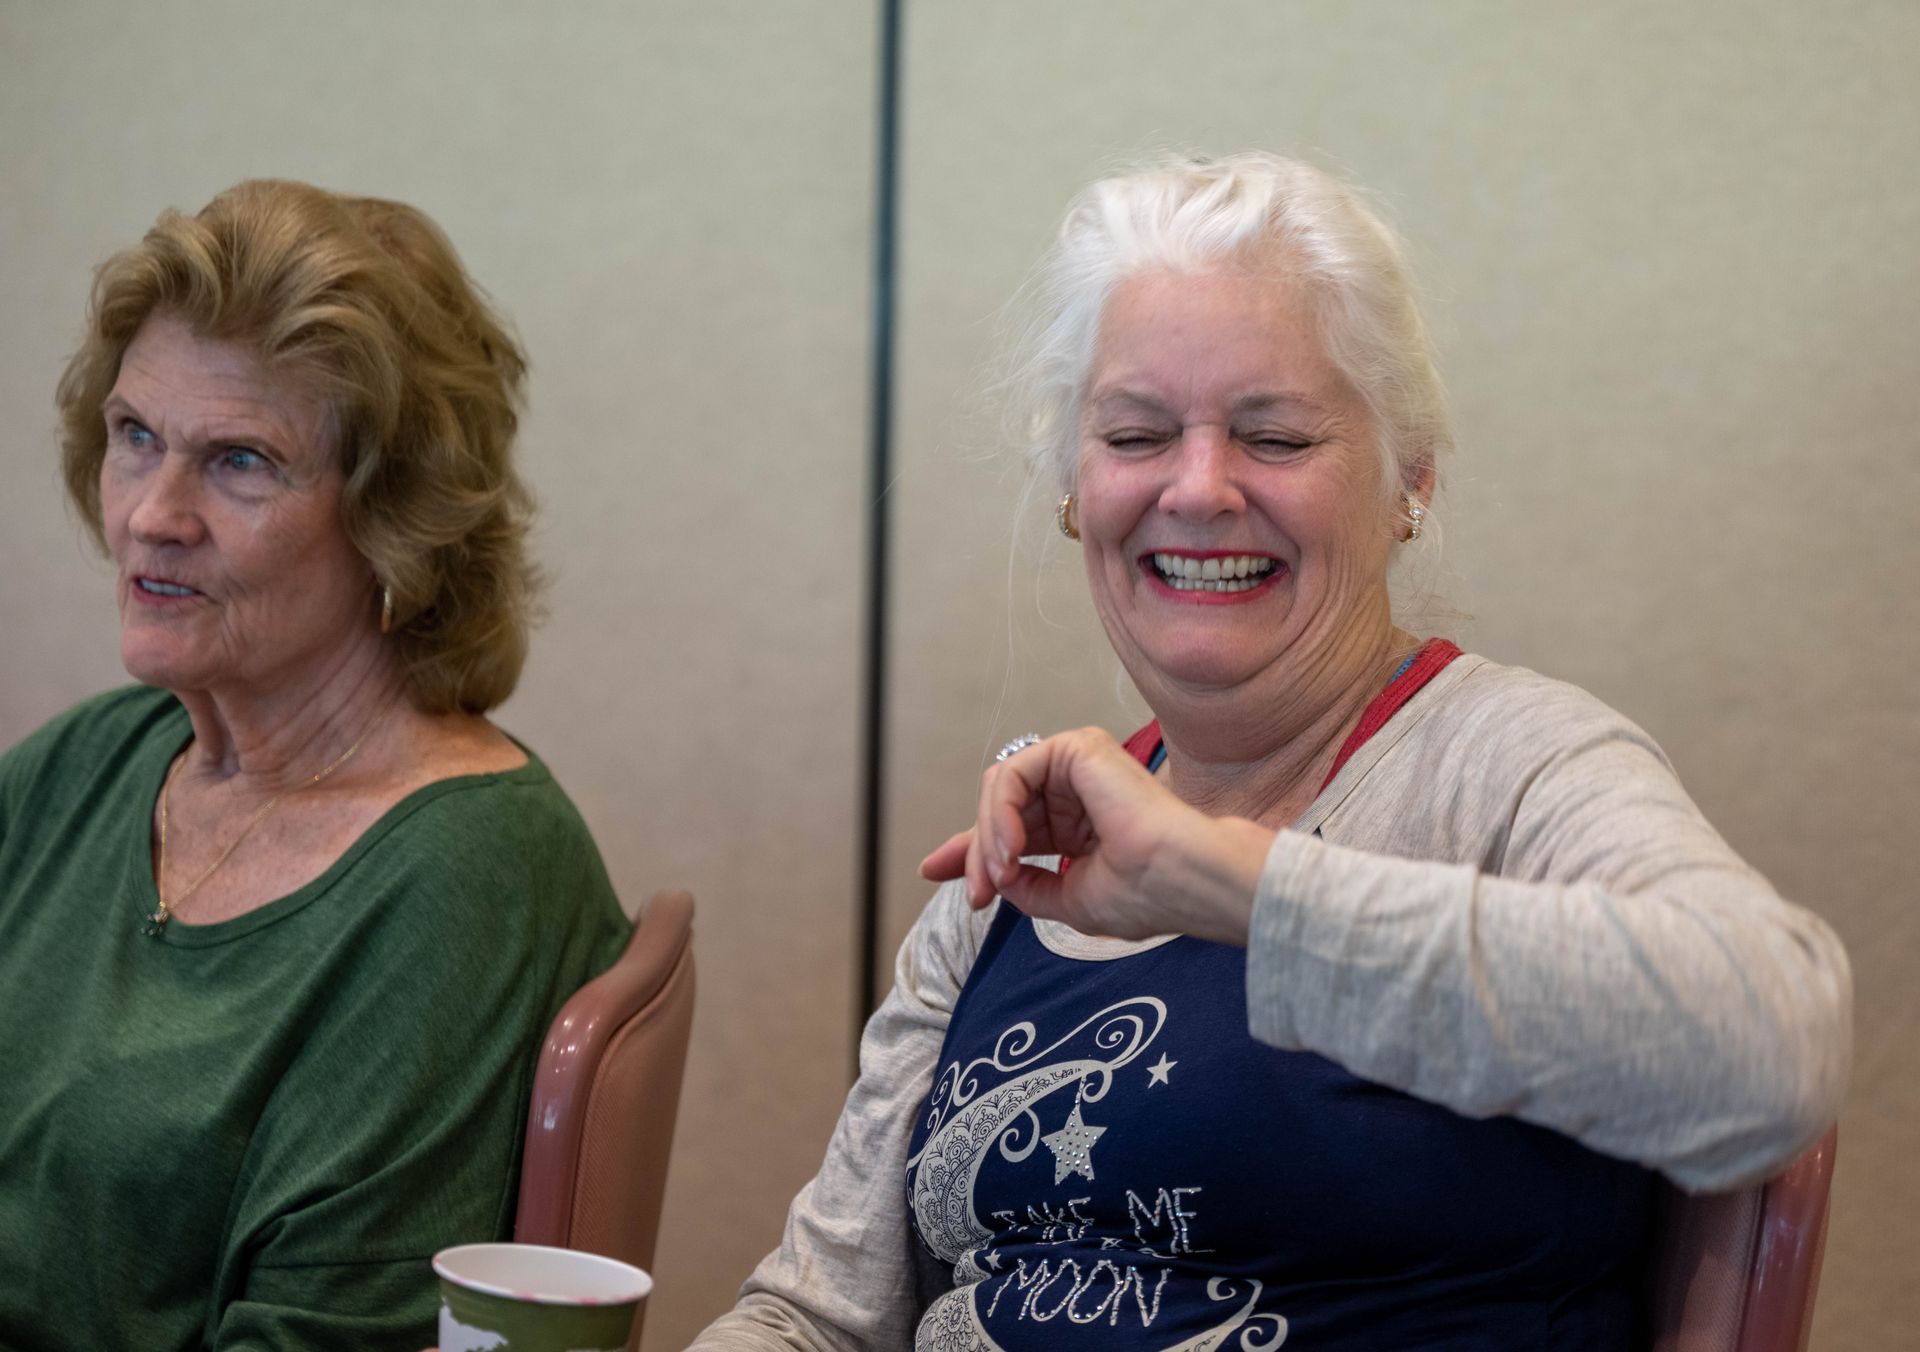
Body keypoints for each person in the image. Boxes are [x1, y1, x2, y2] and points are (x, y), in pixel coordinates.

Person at [689, 153, 1852, 1350]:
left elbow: (1774, 1044)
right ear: (1072, 491)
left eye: (1277, 437)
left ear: (1409, 479)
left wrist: (1234, 885)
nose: (1197, 489)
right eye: (1136, 433)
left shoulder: (1506, 763)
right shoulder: (1016, 857)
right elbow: (814, 1317)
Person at [0, 180, 631, 1350]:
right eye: (136, 436)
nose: (154, 513)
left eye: (239, 460)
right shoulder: (83, 767)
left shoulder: (464, 877)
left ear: (396, 518)